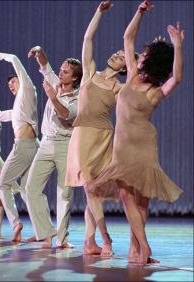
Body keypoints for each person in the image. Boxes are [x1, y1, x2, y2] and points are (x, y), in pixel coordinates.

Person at [90, 0, 184, 265]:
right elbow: (128, 36)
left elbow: (176, 78)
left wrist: (177, 47)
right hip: (124, 147)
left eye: (145, 55)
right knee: (126, 195)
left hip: (142, 146)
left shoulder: (155, 91)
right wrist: (139, 13)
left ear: (152, 63)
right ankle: (142, 248)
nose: (139, 55)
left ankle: (138, 249)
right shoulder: (131, 74)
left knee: (140, 201)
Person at [65, 0, 132, 257]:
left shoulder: (119, 89)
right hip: (83, 134)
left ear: (125, 67)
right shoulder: (90, 73)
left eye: (121, 57)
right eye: (116, 52)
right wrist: (99, 12)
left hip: (103, 137)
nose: (116, 55)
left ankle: (89, 242)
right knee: (90, 188)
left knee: (94, 191)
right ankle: (106, 238)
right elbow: (87, 38)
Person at [26, 46, 82, 248]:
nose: (60, 73)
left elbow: (66, 114)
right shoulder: (54, 82)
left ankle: (62, 239)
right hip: (46, 142)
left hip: (66, 144)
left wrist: (52, 96)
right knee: (31, 187)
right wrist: (39, 52)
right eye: (61, 69)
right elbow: (44, 65)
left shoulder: (78, 97)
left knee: (64, 194)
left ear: (74, 78)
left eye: (65, 72)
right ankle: (46, 233)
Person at [0, 52, 40, 242]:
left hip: (24, 146)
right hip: (31, 146)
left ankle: (16, 223)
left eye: (13, 82)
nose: (11, 85)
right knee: (27, 190)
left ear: (21, 79)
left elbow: (15, 59)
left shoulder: (28, 88)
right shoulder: (18, 107)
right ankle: (43, 233)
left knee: (2, 184)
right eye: (9, 85)